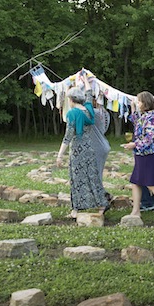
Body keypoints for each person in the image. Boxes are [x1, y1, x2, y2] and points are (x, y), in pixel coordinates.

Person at [56, 80, 109, 218]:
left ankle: (76, 210)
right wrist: (85, 80)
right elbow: (89, 94)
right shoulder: (88, 109)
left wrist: (60, 155)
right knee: (92, 176)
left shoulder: (72, 113)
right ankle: (102, 203)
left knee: (76, 179)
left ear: (71, 99)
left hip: (77, 149)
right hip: (89, 147)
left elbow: (68, 136)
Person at [123, 91, 154, 218]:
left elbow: (150, 137)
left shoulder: (152, 117)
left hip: (148, 154)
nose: (138, 103)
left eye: (139, 101)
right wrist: (133, 106)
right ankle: (136, 211)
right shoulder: (144, 116)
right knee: (136, 182)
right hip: (141, 154)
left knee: (151, 183)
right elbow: (135, 120)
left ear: (145, 103)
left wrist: (134, 144)